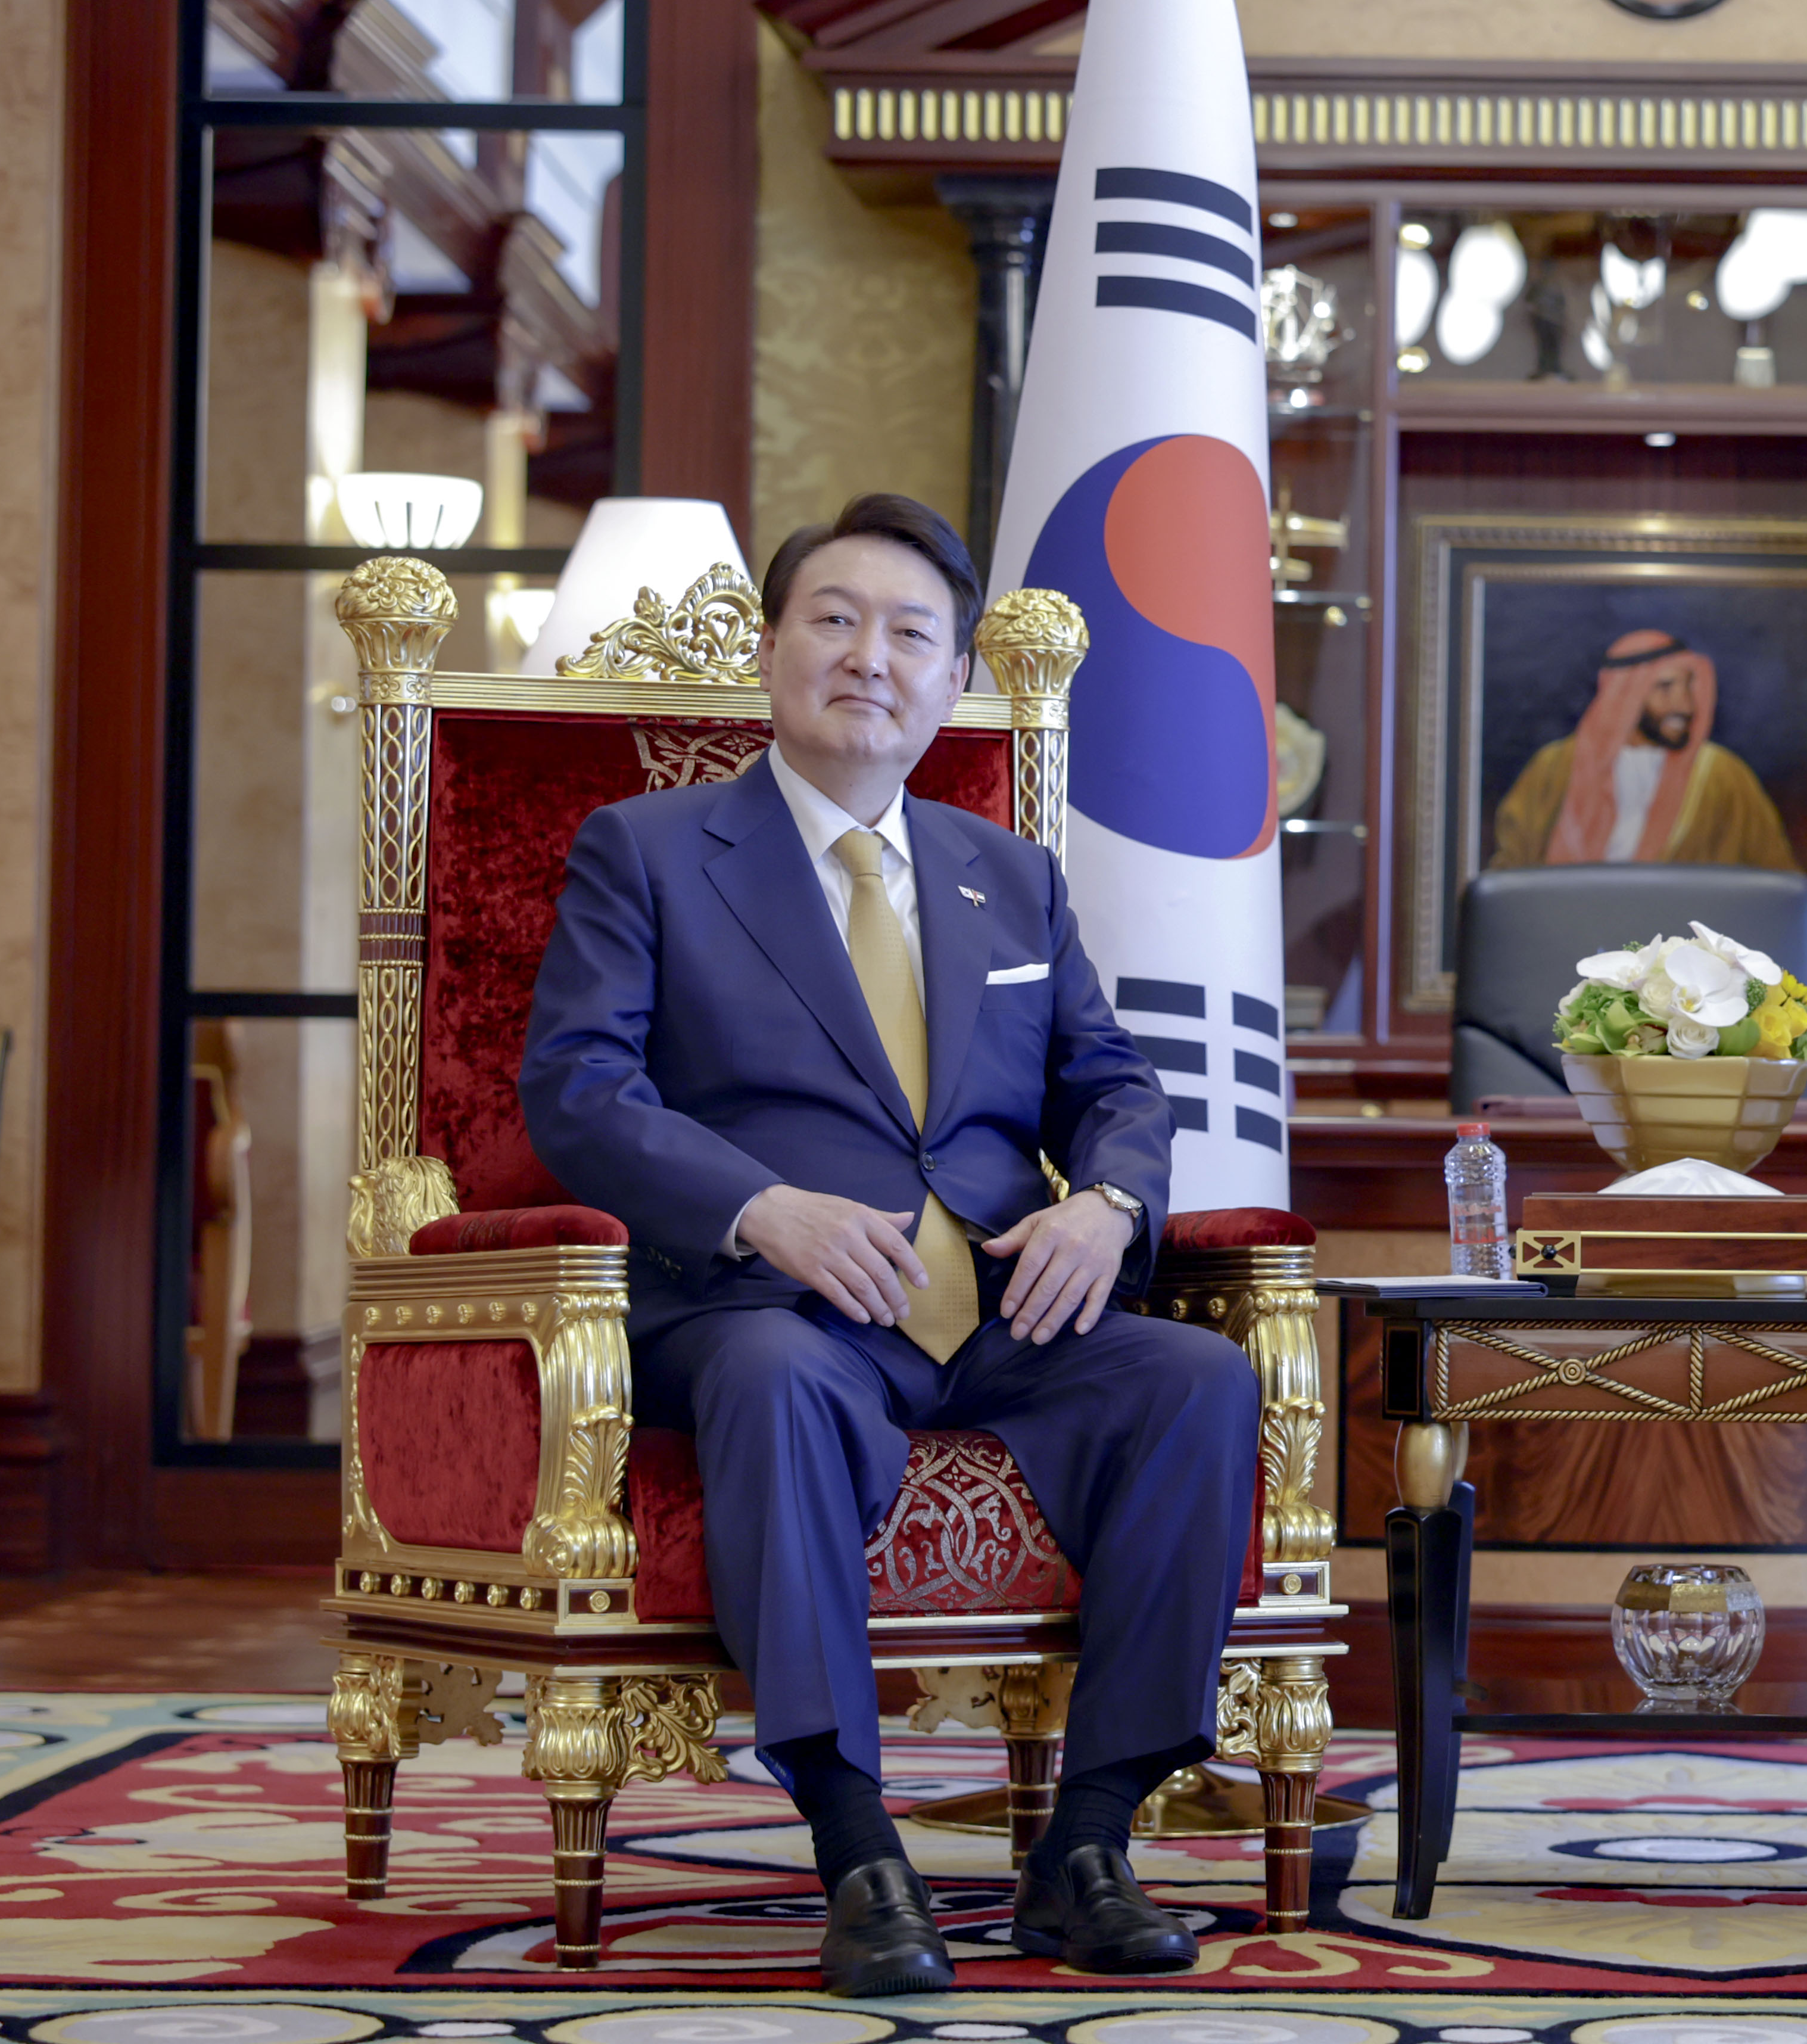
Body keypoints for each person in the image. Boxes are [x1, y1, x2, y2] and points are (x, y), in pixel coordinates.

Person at [521, 494, 1259, 1995]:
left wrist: (1107, 1204)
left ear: (952, 678)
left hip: (990, 1307)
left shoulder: (1011, 874)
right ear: (772, 648)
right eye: (836, 619)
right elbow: (578, 1088)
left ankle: (1088, 1845)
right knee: (776, 1377)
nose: (872, 656)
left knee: (1197, 1377)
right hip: (768, 1302)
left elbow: (1116, 1086)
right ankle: (858, 1847)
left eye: (912, 632)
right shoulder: (650, 851)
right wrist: (758, 1205)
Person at [1487, 626, 1802, 873]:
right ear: (1625, 696)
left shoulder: (1723, 775)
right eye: (1665, 687)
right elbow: (1511, 871)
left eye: (1689, 686)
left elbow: (1777, 878)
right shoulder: (1553, 768)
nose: (1686, 705)